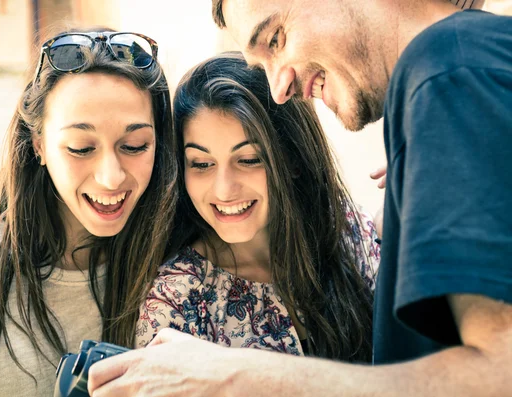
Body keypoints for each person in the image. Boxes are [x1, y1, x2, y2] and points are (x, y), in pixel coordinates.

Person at [87, 1, 512, 396]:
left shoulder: (448, 69)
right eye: (200, 164)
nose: (279, 88)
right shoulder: (478, 60)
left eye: (276, 38)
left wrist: (233, 375)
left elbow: (501, 373)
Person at [0, 28, 177, 396]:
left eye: (134, 146)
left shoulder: (174, 271)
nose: (110, 177)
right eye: (81, 148)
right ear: (39, 145)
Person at [134, 52, 380, 359]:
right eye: (201, 163)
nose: (224, 190)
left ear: (292, 158)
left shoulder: (344, 228)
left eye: (249, 159)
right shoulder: (177, 299)